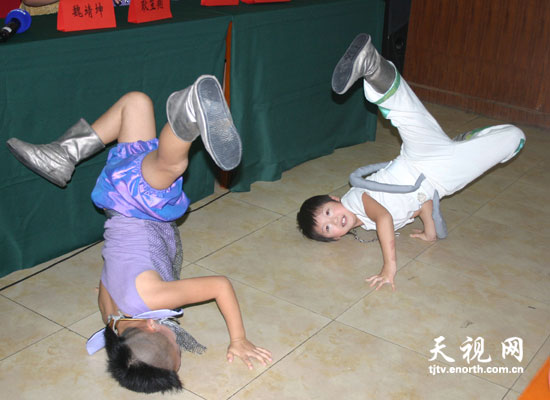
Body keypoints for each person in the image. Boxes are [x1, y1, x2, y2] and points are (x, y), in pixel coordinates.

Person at [6, 75, 272, 393]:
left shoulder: (153, 298)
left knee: (170, 166)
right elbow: (106, 282)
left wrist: (238, 339)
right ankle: (63, 154)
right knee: (135, 103)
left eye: (175, 346)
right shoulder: (111, 318)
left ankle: (188, 112)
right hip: (116, 203)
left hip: (137, 201)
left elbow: (220, 286)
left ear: (152, 325)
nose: (178, 343)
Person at [297, 33, 526, 292]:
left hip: (417, 159)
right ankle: (463, 144)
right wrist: (429, 231)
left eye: (329, 212)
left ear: (334, 198)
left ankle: (370, 64)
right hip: (438, 179)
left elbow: (384, 218)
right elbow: (420, 201)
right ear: (335, 239)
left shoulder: (355, 200)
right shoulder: (366, 221)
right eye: (327, 228)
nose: (334, 220)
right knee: (515, 138)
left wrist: (389, 267)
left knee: (406, 114)